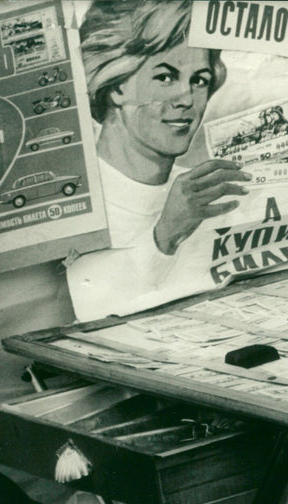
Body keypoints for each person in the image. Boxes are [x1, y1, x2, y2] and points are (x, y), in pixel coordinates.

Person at [66, 1, 251, 320]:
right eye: (166, 78)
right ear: (116, 86)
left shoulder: (204, 187)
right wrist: (164, 235)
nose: (187, 99)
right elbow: (85, 310)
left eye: (200, 80)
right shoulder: (74, 196)